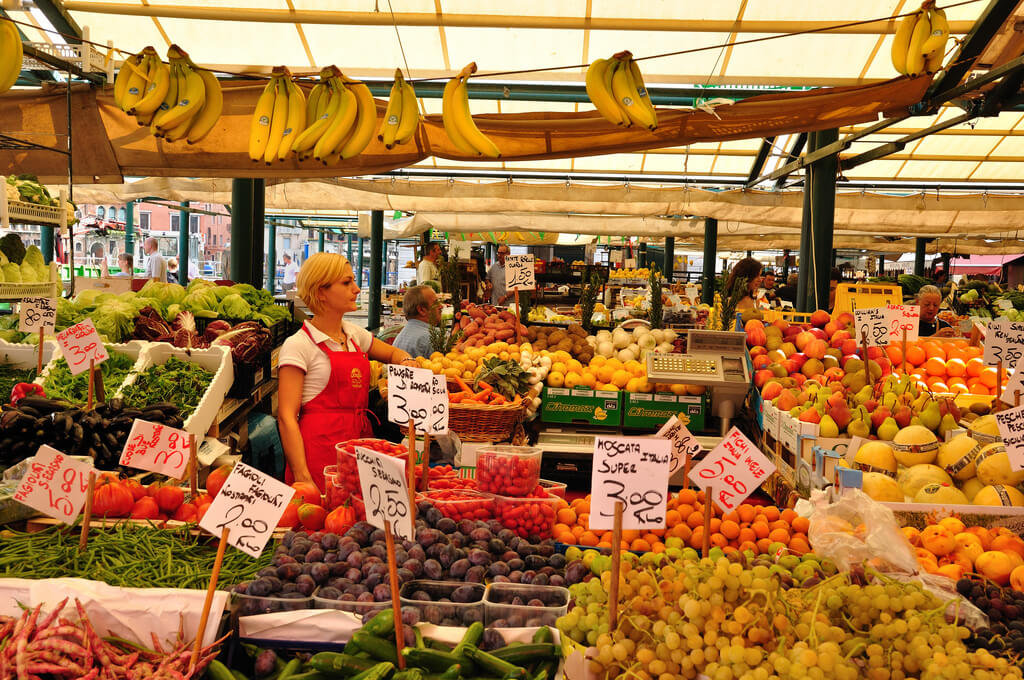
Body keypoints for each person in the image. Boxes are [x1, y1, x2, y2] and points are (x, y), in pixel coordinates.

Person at [277, 252, 418, 491]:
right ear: (321, 292)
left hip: (358, 447)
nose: (356, 289)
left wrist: (407, 361)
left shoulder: (354, 335)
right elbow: (286, 417)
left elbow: (394, 353)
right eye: (346, 282)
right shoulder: (299, 345)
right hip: (318, 454)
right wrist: (303, 476)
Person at [393, 285, 440, 360]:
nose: (441, 306)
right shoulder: (431, 337)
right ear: (422, 310)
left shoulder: (402, 334)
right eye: (436, 303)